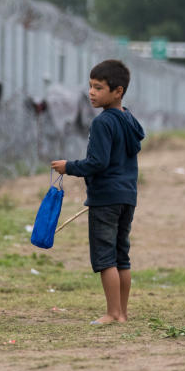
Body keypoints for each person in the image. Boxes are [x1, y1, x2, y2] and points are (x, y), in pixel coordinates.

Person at [51, 59, 145, 325]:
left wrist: (67, 166)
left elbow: (98, 163)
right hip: (127, 197)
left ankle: (112, 313)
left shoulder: (103, 122)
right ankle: (123, 314)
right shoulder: (129, 120)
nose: (91, 92)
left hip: (106, 199)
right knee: (121, 256)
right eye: (90, 86)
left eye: (99, 87)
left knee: (106, 258)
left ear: (118, 91)